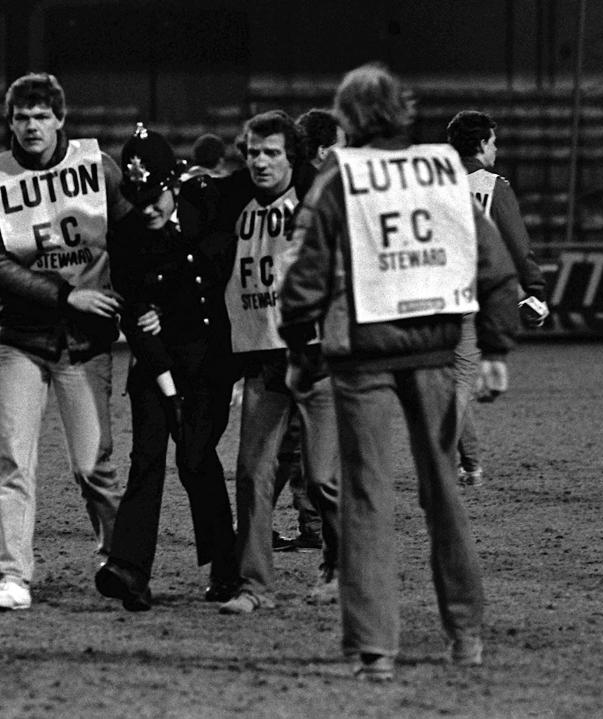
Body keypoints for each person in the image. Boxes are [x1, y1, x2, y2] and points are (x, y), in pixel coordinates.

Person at [280, 63, 521, 681]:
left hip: (361, 358)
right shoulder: (444, 171)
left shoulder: (341, 177)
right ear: (403, 110)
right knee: (443, 493)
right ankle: (465, 637)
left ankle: (376, 650)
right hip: (437, 349)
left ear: (347, 118)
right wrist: (492, 349)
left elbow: (302, 280)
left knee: (366, 499)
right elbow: (495, 268)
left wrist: (302, 354)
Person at [0, 72, 130, 611]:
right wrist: (68, 296)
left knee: (94, 467)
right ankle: (12, 577)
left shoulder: (98, 169)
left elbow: (130, 237)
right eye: (22, 117)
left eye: (41, 116)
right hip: (21, 340)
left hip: (85, 344)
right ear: (10, 122)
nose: (31, 126)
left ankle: (118, 560)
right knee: (13, 461)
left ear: (60, 119)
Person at [94, 124, 238, 611]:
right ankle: (129, 569)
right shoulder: (128, 236)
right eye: (138, 197)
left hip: (208, 363)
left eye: (155, 196)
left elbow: (203, 286)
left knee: (196, 459)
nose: (148, 207)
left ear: (174, 185)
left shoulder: (208, 205)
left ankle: (226, 564)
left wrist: (166, 313)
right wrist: (166, 383)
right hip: (157, 367)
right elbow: (136, 318)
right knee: (146, 459)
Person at [211, 110, 341, 615]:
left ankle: (337, 567)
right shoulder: (231, 203)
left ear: (293, 157)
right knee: (252, 474)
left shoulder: (319, 204)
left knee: (325, 480)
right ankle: (255, 586)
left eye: (272, 153)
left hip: (319, 362)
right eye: (253, 153)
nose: (261, 162)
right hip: (265, 364)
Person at [447, 110, 549, 487]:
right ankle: (439, 461)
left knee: (448, 381)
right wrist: (534, 290)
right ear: (481, 145)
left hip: (430, 298)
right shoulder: (493, 186)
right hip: (472, 297)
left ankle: (470, 465)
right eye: (493, 142)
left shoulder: (430, 184)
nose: (496, 149)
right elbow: (517, 245)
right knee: (459, 381)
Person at [271, 108, 348, 559]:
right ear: (322, 151)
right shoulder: (318, 198)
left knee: (288, 446)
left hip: (278, 335)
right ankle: (319, 531)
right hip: (307, 340)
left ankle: (303, 524)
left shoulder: (283, 193)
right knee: (301, 446)